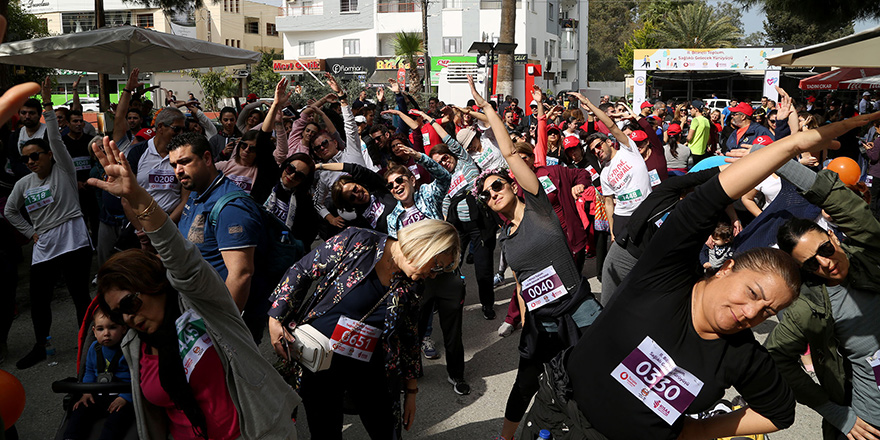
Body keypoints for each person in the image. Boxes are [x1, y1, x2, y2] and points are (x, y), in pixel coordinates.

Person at [523, 106, 880, 440]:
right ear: (726, 269)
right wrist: (794, 146)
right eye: (754, 294)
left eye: (768, 312)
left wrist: (695, 432)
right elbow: (706, 200)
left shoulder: (740, 354)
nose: (753, 314)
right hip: (557, 421)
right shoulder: (665, 277)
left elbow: (779, 412)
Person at [87, 135, 299, 440]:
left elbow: (221, 268)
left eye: (185, 161)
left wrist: (225, 324)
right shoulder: (138, 343)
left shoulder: (230, 207)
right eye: (118, 315)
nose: (128, 319)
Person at [468, 76, 601, 440]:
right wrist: (526, 323)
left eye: (497, 185)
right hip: (542, 321)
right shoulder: (506, 243)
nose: (492, 192)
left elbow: (510, 152)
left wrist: (487, 110)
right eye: (486, 193)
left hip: (578, 308)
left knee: (599, 373)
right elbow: (525, 288)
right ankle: (506, 437)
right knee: (525, 382)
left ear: (512, 185)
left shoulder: (539, 207)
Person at [268, 219, 461, 439]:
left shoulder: (413, 285)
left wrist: (411, 392)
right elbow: (302, 270)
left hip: (371, 370)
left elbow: (410, 338)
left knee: (386, 430)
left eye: (442, 271)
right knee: (325, 432)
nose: (434, 275)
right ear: (423, 246)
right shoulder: (359, 241)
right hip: (319, 359)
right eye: (436, 265)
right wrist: (276, 317)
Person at [760, 113, 880, 440]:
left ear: (835, 239)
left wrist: (778, 159)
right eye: (811, 264)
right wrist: (833, 412)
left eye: (825, 251)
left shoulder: (871, 255)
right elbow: (776, 356)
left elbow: (842, 202)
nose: (824, 264)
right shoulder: (810, 308)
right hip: (868, 427)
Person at [5, 78, 93, 370]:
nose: (30, 162)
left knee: (79, 294)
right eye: (25, 158)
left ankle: (89, 342)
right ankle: (41, 344)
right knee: (39, 299)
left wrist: (47, 106)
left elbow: (55, 136)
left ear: (49, 156)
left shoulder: (64, 170)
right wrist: (31, 234)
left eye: (35, 156)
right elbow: (9, 211)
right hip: (44, 243)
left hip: (73, 236)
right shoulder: (24, 183)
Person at [63, 309, 134, 440]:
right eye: (100, 329)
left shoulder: (128, 348)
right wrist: (86, 392)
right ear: (94, 332)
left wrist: (125, 397)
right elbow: (89, 370)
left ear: (123, 329)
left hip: (121, 395)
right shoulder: (94, 348)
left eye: (112, 328)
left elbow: (135, 376)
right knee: (79, 411)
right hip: (97, 393)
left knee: (116, 421)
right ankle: (71, 437)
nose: (106, 333)